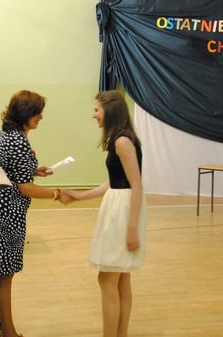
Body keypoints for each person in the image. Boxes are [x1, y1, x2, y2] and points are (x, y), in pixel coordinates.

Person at [60, 90, 147, 337]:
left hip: (123, 212)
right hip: (120, 206)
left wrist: (132, 229)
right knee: (120, 278)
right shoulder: (121, 140)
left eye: (97, 110)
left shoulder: (122, 142)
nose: (94, 115)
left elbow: (136, 185)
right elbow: (115, 182)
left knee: (107, 279)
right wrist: (79, 196)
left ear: (110, 111)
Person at [0, 90, 61, 337]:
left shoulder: (7, 134)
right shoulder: (18, 141)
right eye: (38, 113)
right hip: (8, 213)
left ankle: (2, 321)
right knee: (5, 274)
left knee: (4, 272)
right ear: (26, 113)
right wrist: (57, 194)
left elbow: (11, 170)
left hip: (1, 207)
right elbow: (24, 188)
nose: (41, 117)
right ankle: (9, 331)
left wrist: (34, 169)